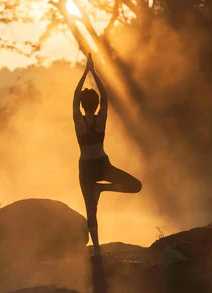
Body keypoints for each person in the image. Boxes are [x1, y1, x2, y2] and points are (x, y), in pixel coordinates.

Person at [73, 54, 142, 253]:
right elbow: (105, 98)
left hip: (87, 168)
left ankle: (96, 249)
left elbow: (75, 99)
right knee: (135, 186)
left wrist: (85, 72)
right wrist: (93, 72)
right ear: (95, 105)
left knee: (90, 211)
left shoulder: (79, 121)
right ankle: (103, 189)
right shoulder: (100, 118)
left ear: (83, 105)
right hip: (102, 166)